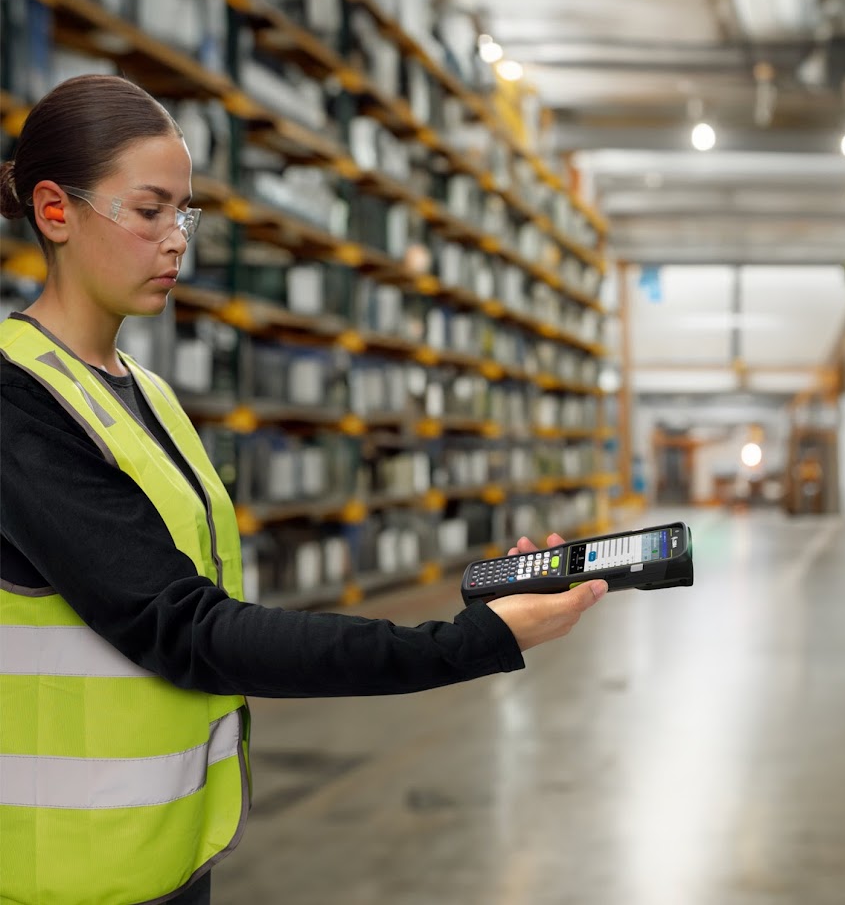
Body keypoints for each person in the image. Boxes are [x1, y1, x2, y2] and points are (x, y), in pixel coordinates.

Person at [0, 74, 608, 905]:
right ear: (55, 210)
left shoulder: (144, 392)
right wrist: (464, 643)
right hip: (52, 875)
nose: (177, 241)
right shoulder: (17, 404)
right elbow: (187, 627)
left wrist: (488, 599)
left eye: (185, 213)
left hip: (157, 855)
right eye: (149, 212)